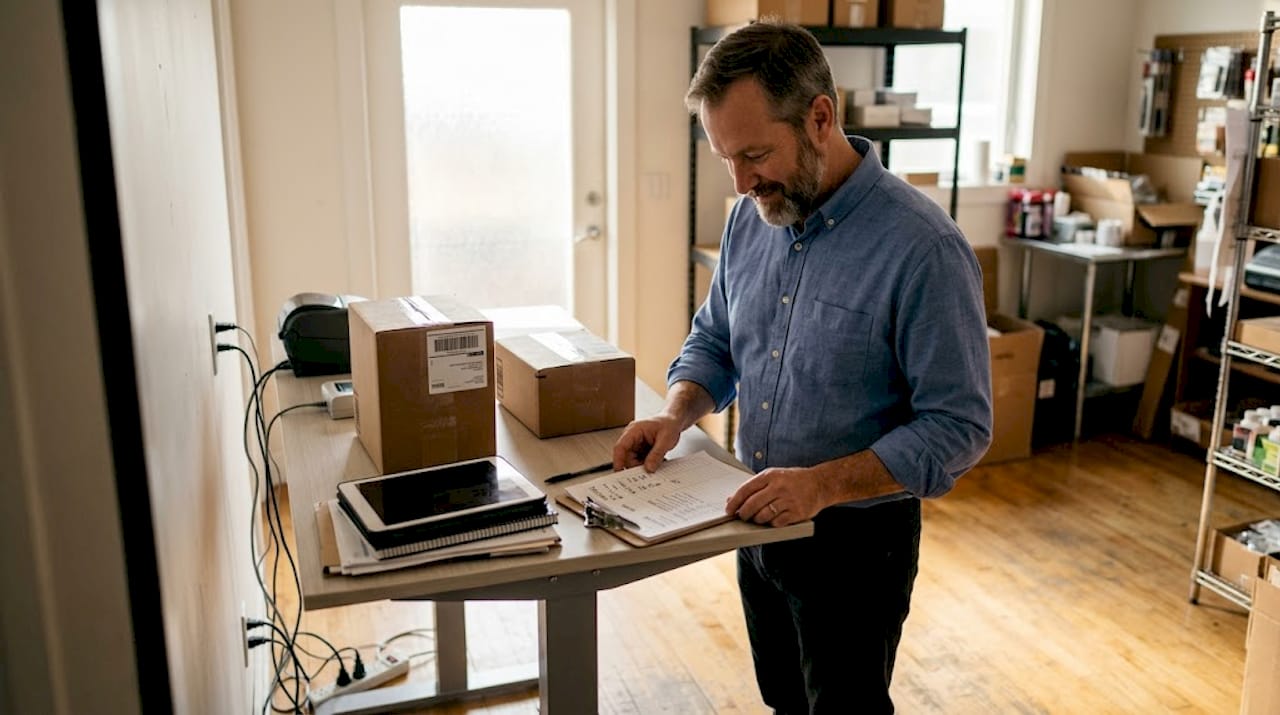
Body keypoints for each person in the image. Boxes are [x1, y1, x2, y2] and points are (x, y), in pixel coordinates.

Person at [611, 19, 992, 715]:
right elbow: (716, 339)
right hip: (756, 519)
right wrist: (676, 411)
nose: (742, 180)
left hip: (854, 544)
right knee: (784, 699)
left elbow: (958, 426)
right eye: (725, 157)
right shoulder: (748, 216)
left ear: (821, 116)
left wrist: (821, 485)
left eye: (754, 153)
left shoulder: (924, 247)